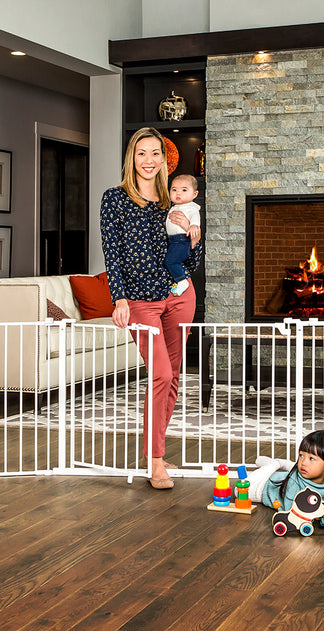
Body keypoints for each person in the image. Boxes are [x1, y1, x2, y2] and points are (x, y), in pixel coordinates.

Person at [100, 127, 201, 490]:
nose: (148, 160)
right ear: (132, 157)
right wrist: (119, 298)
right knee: (159, 374)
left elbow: (192, 258)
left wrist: (194, 234)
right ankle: (155, 462)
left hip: (179, 296)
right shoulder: (114, 199)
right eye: (141, 153)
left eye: (155, 153)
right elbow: (112, 254)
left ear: (164, 159)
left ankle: (156, 451)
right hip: (141, 301)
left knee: (172, 377)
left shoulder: (173, 202)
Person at [248, 430, 324, 523]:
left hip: (284, 477)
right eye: (301, 455)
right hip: (264, 486)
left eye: (311, 458)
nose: (303, 462)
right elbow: (290, 511)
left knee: (295, 469)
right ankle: (275, 464)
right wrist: (319, 515)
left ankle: (283, 464)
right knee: (241, 490)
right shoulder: (295, 481)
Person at [165, 174, 201, 297]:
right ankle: (178, 280)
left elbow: (195, 217)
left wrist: (193, 226)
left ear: (194, 194)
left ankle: (181, 281)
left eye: (184, 190)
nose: (178, 193)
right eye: (174, 189)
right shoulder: (174, 206)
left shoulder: (191, 207)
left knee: (171, 261)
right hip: (173, 241)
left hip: (182, 240)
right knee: (171, 261)